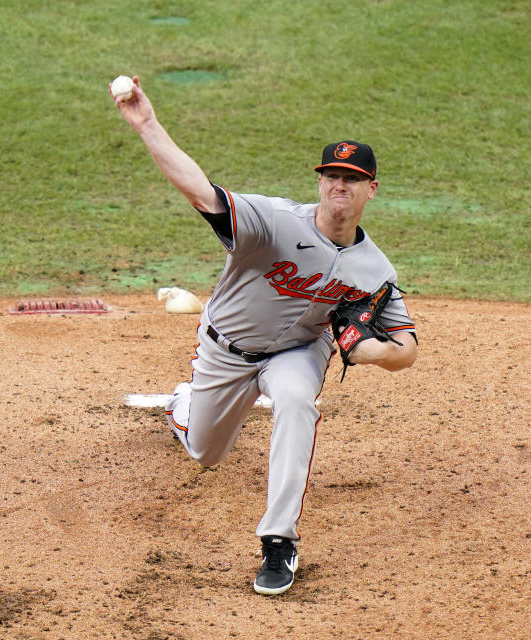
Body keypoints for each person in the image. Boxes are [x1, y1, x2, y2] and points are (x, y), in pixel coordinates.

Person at [110, 76, 418, 596]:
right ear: (320, 181)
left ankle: (279, 541)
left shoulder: (374, 268)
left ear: (371, 188)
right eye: (331, 176)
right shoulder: (271, 221)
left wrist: (374, 352)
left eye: (352, 178)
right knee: (207, 453)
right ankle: (185, 404)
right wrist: (147, 124)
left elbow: (407, 348)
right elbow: (198, 188)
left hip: (298, 351)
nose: (339, 186)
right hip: (225, 351)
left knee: (297, 401)